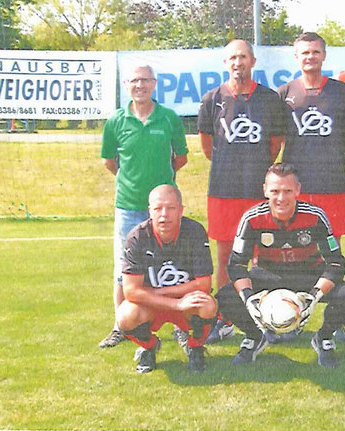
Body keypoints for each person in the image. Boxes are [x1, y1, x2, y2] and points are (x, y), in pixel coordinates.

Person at [216, 163, 345, 368]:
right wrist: (249, 300)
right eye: (275, 191)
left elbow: (336, 262)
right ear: (265, 190)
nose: (281, 198)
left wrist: (314, 295)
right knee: (226, 296)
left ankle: (324, 338)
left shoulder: (315, 216)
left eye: (287, 191)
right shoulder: (252, 218)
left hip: (308, 276)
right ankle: (255, 337)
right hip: (268, 275)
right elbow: (236, 265)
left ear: (298, 190)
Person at [198, 39, 287, 344]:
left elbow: (275, 144)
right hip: (223, 190)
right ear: (226, 63)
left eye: (243, 57)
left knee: (263, 258)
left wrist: (255, 167)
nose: (238, 63)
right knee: (226, 258)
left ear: (253, 61)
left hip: (257, 192)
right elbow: (209, 148)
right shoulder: (211, 99)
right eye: (233, 58)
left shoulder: (270, 99)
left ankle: (267, 317)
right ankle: (225, 318)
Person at [99, 64, 189, 348]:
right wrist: (134, 183)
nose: (140, 85)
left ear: (154, 84)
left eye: (145, 80)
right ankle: (121, 325)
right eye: (134, 80)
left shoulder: (170, 118)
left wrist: (160, 191)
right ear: (127, 84)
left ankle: (181, 323)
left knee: (173, 266)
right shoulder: (115, 121)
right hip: (128, 206)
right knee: (124, 269)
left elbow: (181, 158)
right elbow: (109, 162)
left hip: (164, 208)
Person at [277, 32, 345, 341]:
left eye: (315, 52)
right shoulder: (284, 92)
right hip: (297, 187)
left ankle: (334, 322)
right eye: (304, 52)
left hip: (331, 183)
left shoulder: (341, 92)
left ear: (324, 56)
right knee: (294, 251)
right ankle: (289, 316)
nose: (309, 57)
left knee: (331, 254)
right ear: (296, 58)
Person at [116, 184, 217, 374]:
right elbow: (130, 291)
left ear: (180, 210)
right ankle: (150, 347)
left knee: (207, 305)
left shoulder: (194, 232)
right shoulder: (137, 237)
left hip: (181, 300)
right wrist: (174, 304)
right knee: (125, 316)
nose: (164, 215)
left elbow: (204, 284)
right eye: (158, 208)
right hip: (152, 306)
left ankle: (195, 348)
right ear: (149, 211)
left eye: (170, 208)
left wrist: (160, 293)